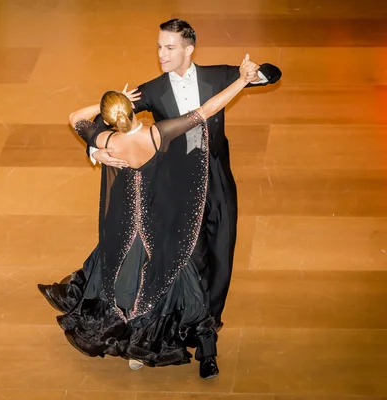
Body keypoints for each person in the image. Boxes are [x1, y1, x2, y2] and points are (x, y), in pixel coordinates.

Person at [39, 18, 282, 378]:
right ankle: (202, 341)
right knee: (190, 258)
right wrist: (99, 153)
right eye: (158, 47)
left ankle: (208, 321)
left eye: (169, 48)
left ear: (189, 49)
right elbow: (110, 123)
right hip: (175, 187)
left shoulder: (220, 75)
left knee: (221, 253)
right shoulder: (151, 89)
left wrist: (254, 73)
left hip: (216, 180)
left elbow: (273, 74)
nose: (161, 54)